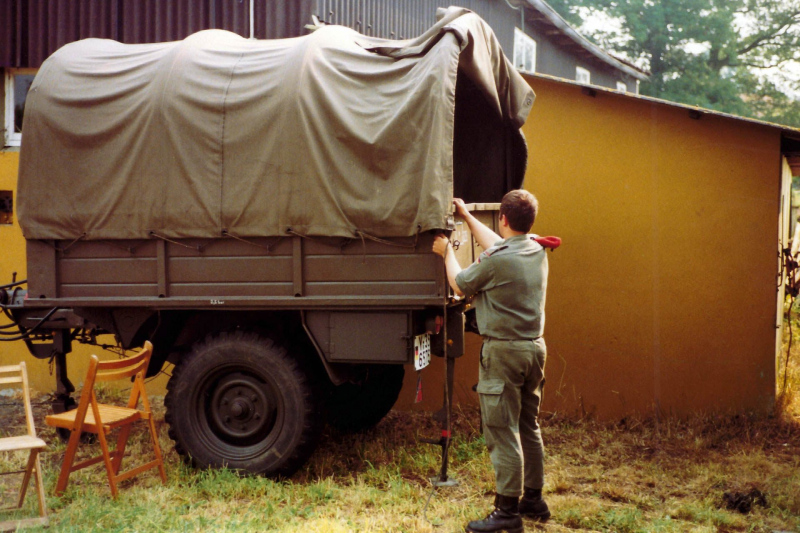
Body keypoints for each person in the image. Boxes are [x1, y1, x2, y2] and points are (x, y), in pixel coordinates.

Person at [432, 190, 551, 533]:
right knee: (528, 426)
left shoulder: (499, 260)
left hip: (504, 353)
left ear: (503, 217)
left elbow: (459, 284)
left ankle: (507, 512)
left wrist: (444, 254)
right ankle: (533, 500)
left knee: (502, 431)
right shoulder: (535, 249)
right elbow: (500, 245)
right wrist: (468, 218)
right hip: (533, 349)